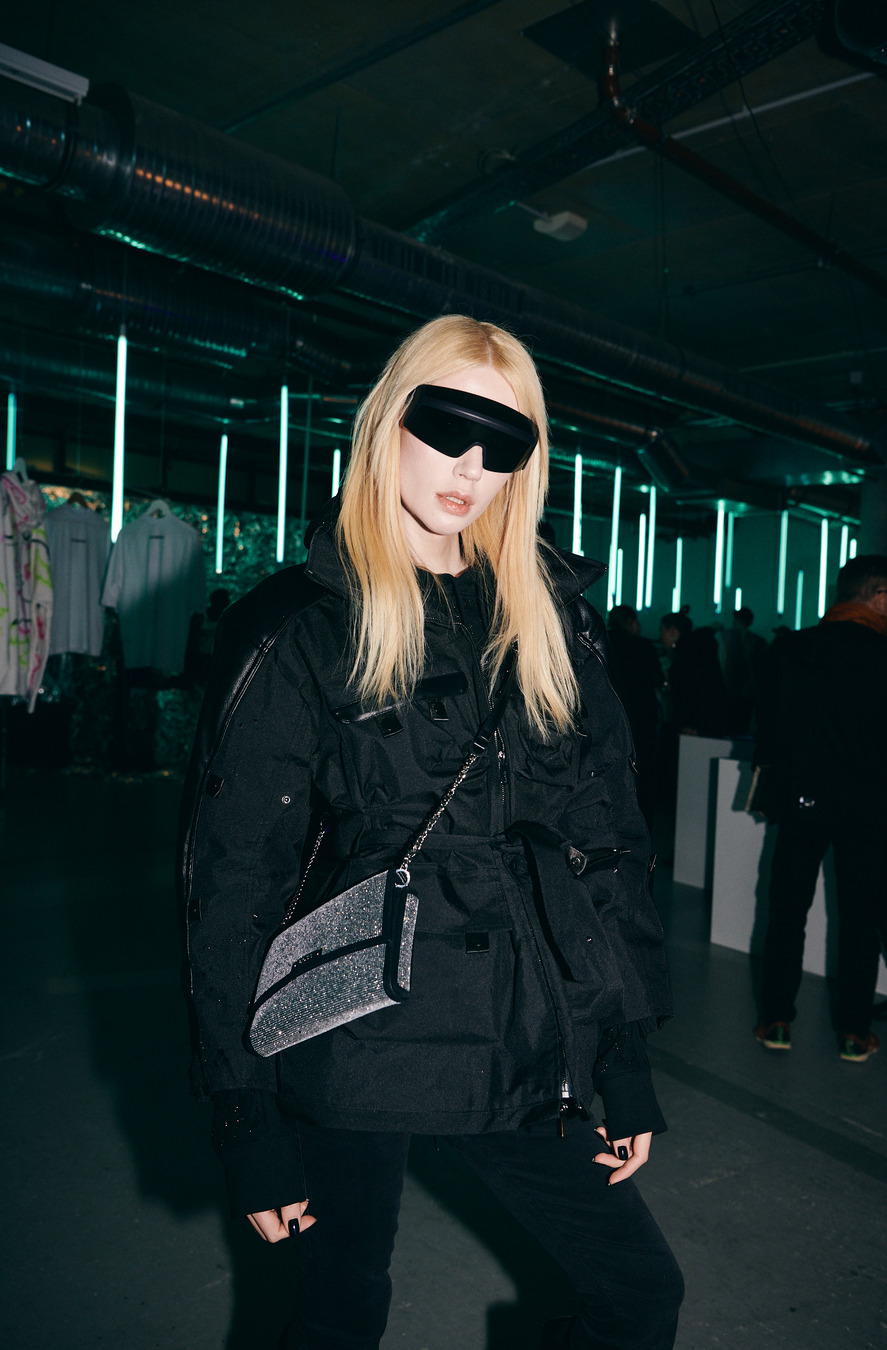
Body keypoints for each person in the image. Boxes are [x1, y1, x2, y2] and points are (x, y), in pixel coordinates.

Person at [179, 315, 683, 1350]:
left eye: (503, 442)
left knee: (640, 1295)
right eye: (447, 427)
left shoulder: (552, 621)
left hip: (523, 1029)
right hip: (349, 1032)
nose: (469, 467)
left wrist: (621, 1052)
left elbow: (605, 845)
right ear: (388, 422)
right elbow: (235, 879)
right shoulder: (302, 623)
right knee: (339, 1313)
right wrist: (246, 1114)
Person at [752, 554, 887, 1062]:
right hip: (869, 809)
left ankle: (776, 1020)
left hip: (802, 801)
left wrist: (771, 793)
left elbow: (769, 729)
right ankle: (854, 1033)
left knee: (786, 912)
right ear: (877, 596)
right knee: (859, 919)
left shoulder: (792, 647)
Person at [607, 604, 663, 827]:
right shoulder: (643, 646)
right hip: (642, 718)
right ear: (630, 622)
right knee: (643, 776)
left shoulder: (604, 642)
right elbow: (657, 678)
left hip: (613, 718)